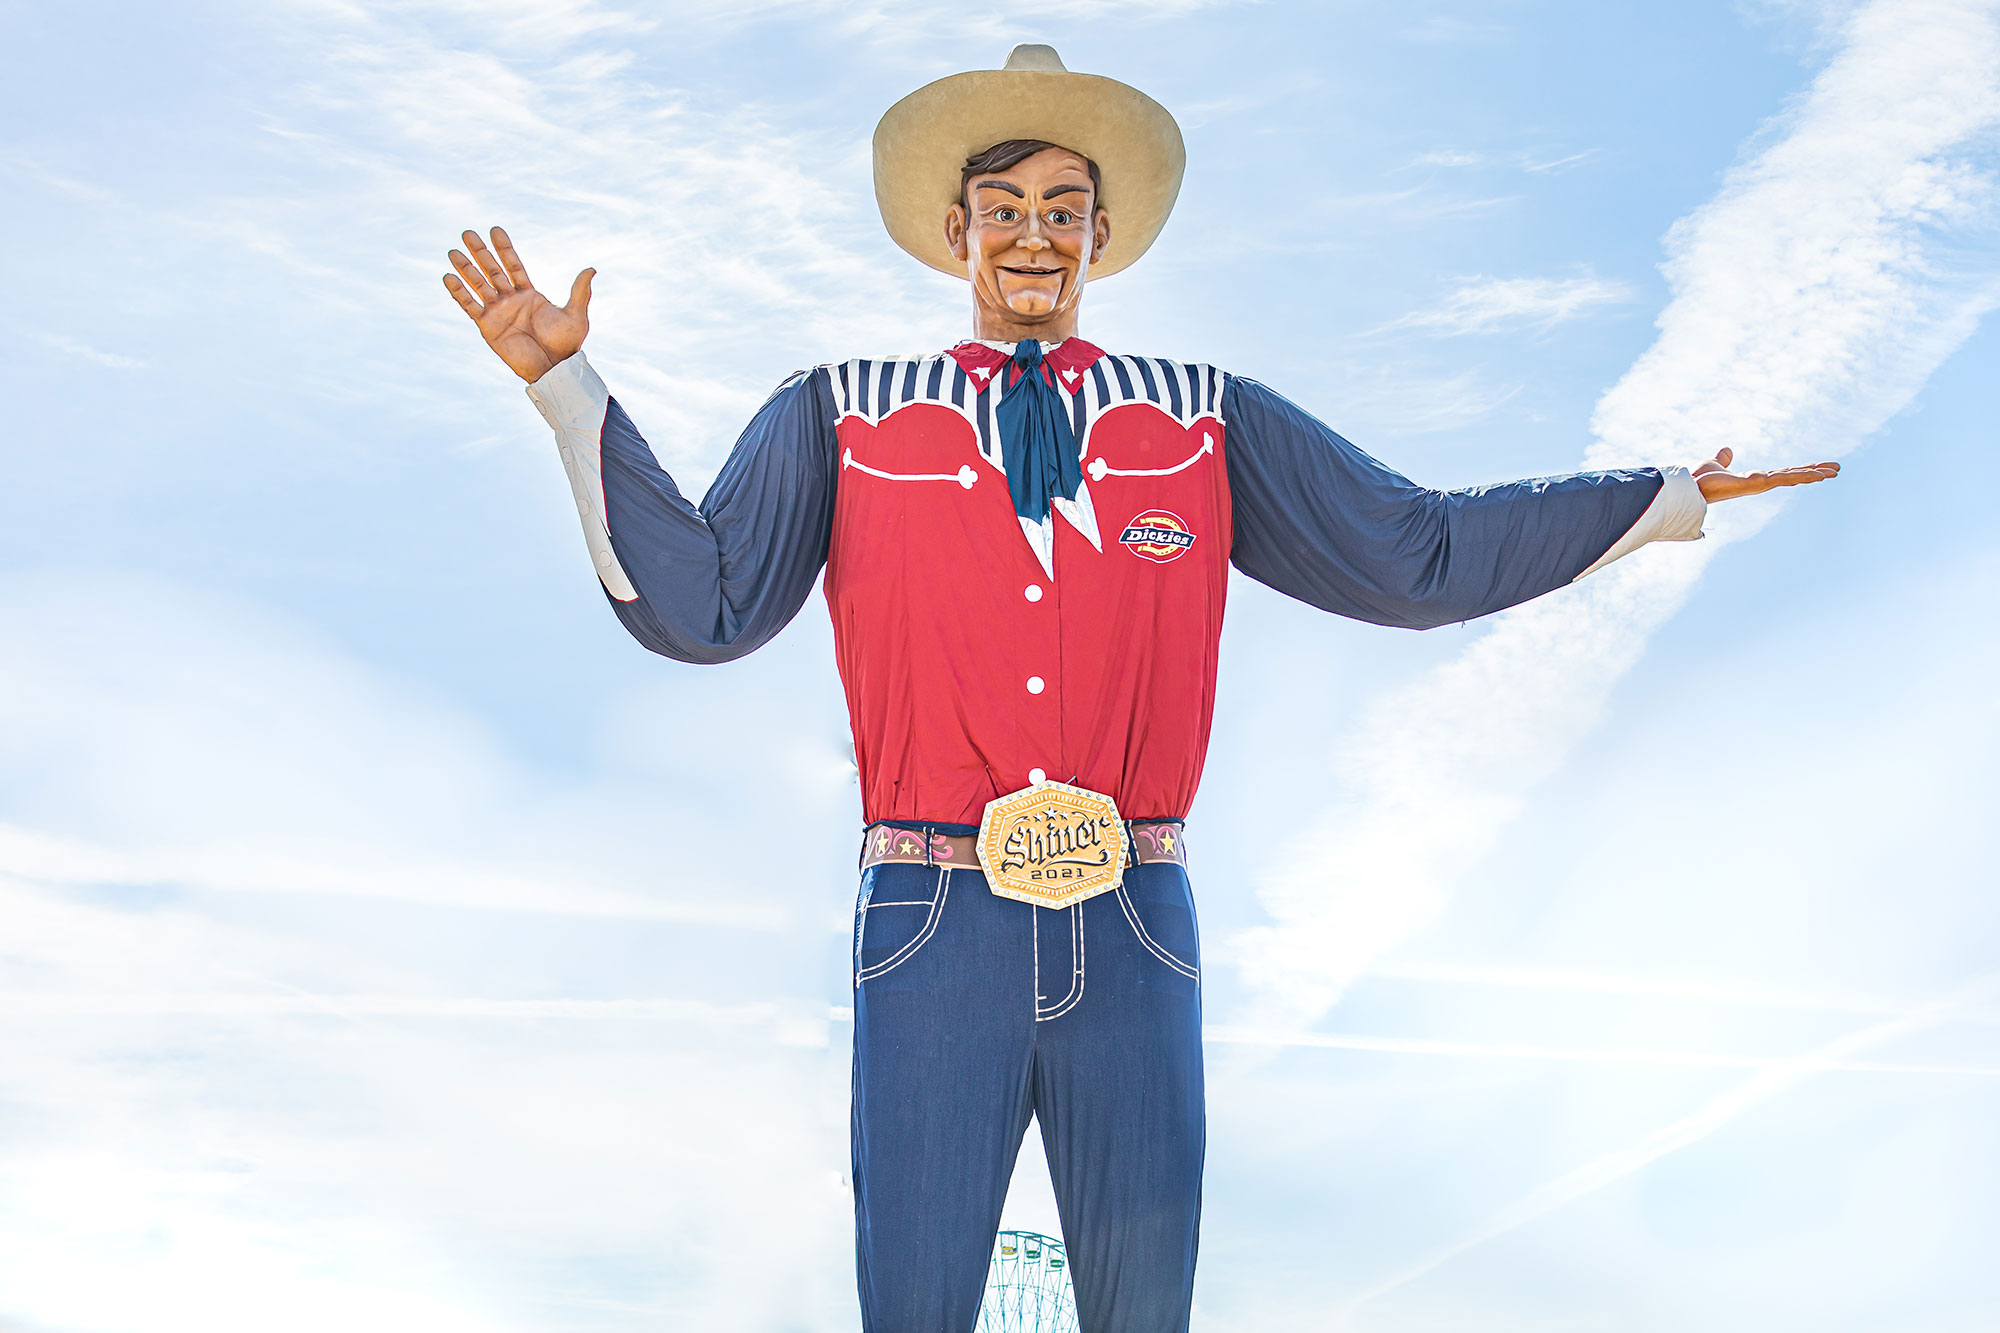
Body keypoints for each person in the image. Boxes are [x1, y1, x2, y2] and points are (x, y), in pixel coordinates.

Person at [439, 43, 1838, 1333]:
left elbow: (1413, 551)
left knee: (1143, 1311)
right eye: (1004, 208)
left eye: (1065, 209)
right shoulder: (843, 409)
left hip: (1135, 913)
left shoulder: (1201, 417)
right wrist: (567, 387)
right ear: (955, 230)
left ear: (1102, 237)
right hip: (931, 917)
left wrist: (1659, 497)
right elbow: (704, 602)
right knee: (914, 1303)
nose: (1034, 235)